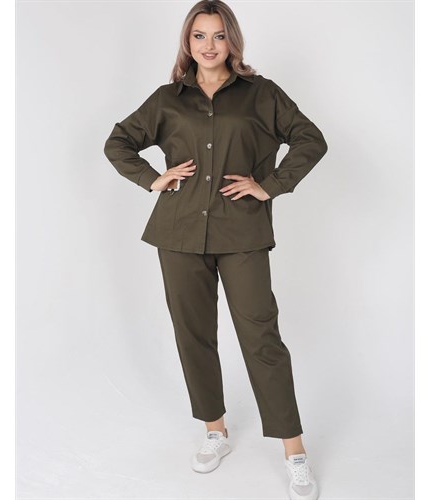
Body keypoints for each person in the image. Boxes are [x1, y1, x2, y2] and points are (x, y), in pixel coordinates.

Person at [103, 1, 327, 499]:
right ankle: (215, 430)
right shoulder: (168, 99)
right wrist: (152, 178)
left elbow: (310, 140)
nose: (209, 45)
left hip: (242, 232)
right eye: (199, 36)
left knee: (261, 336)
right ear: (188, 42)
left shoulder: (261, 94)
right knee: (194, 334)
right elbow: (118, 141)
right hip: (178, 234)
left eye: (219, 35)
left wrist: (269, 185)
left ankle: (294, 452)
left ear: (232, 41)